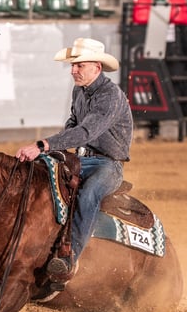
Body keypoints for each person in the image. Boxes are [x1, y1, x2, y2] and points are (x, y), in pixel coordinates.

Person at [16, 37, 133, 288]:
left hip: (108, 165)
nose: (73, 70)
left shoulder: (110, 96)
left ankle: (70, 259)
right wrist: (56, 151)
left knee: (89, 194)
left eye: (79, 65)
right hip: (81, 158)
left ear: (96, 68)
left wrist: (43, 145)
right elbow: (73, 123)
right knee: (39, 175)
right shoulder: (79, 91)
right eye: (73, 66)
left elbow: (86, 132)